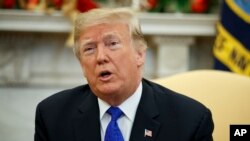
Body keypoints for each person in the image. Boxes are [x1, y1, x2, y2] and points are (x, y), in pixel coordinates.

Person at [34, 8, 214, 141]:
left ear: (140, 54)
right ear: (81, 65)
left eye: (112, 43)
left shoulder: (190, 120)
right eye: (89, 49)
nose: (101, 57)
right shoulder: (52, 116)